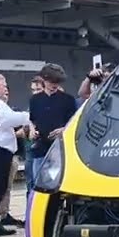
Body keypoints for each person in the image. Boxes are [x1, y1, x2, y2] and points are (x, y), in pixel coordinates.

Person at [0, 73, 29, 237]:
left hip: (1, 150)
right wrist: (28, 116)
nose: (6, 88)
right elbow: (8, 119)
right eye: (4, 85)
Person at [27, 64, 76, 203]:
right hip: (40, 147)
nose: (54, 85)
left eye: (57, 82)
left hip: (59, 149)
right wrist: (32, 130)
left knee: (58, 186)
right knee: (37, 185)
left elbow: (73, 122)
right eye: (51, 82)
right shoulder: (35, 100)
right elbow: (31, 119)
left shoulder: (67, 100)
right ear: (44, 80)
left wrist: (63, 129)